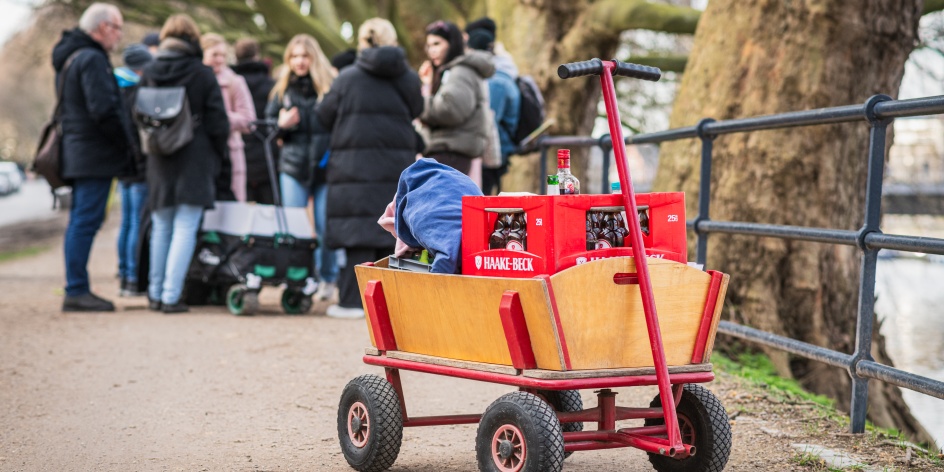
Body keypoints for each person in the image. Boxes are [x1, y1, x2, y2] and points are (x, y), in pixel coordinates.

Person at [317, 18, 423, 319]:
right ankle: (388, 304)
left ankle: (352, 302)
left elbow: (323, 115)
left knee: (355, 233)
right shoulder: (407, 77)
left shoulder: (347, 78)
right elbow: (419, 109)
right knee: (389, 228)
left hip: (352, 167)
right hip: (394, 164)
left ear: (363, 42)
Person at [141, 14, 231, 313]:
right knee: (185, 227)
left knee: (161, 226)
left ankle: (154, 293)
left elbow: (136, 115)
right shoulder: (201, 73)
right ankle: (170, 296)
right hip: (195, 157)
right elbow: (219, 123)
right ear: (193, 39)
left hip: (158, 158)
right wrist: (219, 156)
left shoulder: (149, 70)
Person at [52, 2, 134, 312]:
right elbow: (103, 109)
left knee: (82, 220)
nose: (119, 36)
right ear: (103, 28)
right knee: (85, 221)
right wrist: (124, 142)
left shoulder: (72, 57)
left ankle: (77, 285)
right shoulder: (92, 58)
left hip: (80, 150)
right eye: (118, 28)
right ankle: (76, 289)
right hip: (92, 153)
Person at [265, 34, 338, 300]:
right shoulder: (282, 90)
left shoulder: (329, 88)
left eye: (304, 56)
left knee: (324, 225)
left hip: (324, 166)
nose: (299, 61)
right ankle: (295, 276)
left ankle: (328, 277)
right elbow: (267, 128)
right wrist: (280, 124)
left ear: (313, 58)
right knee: (293, 226)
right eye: (294, 56)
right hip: (293, 165)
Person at [418, 20, 495, 176]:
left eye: (437, 44)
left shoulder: (461, 71)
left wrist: (418, 104)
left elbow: (450, 110)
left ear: (452, 44)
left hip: (451, 152)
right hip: (448, 150)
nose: (431, 51)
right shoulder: (451, 71)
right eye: (429, 45)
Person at [114, 43, 153, 297]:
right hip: (138, 168)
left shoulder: (115, 89)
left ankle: (124, 273)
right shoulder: (138, 93)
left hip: (122, 169)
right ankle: (132, 276)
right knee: (137, 222)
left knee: (127, 222)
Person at [465, 18, 520, 195]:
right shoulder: (500, 73)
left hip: (491, 154)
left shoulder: (496, 80)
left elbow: (489, 120)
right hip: (488, 151)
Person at [202, 33, 255, 203]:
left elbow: (249, 121)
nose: (219, 60)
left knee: (232, 213)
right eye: (214, 55)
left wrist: (219, 117)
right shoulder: (196, 80)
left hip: (230, 153)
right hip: (202, 154)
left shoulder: (235, 82)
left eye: (223, 55)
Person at [232, 37, 277, 204]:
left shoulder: (230, 84)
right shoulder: (271, 85)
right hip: (267, 154)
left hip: (238, 154)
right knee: (268, 213)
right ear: (257, 55)